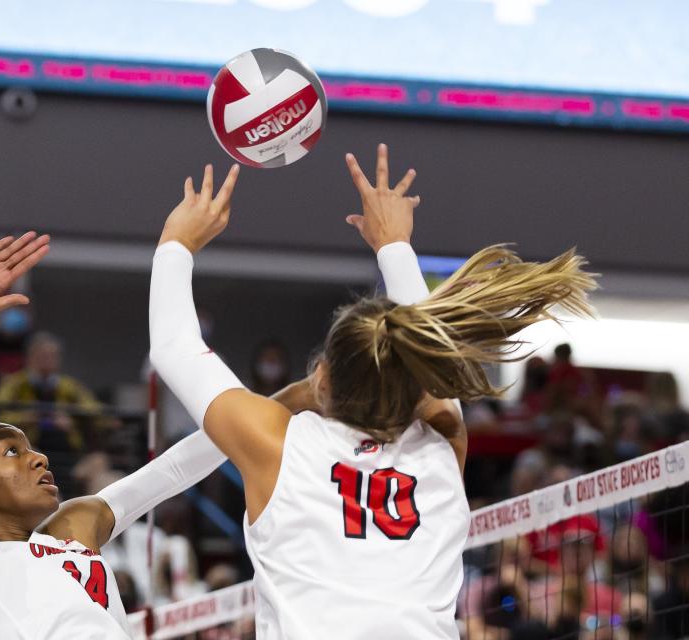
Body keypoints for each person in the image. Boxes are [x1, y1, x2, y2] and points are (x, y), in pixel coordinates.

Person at [0, 224, 435, 639]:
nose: (38, 457)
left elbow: (173, 469)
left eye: (30, 446)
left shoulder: (74, 533)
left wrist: (287, 402)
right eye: (12, 450)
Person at [146, 144, 597, 639]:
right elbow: (428, 354)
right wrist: (394, 243)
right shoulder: (444, 441)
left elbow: (173, 347)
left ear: (320, 376)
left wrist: (177, 240)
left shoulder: (276, 444)